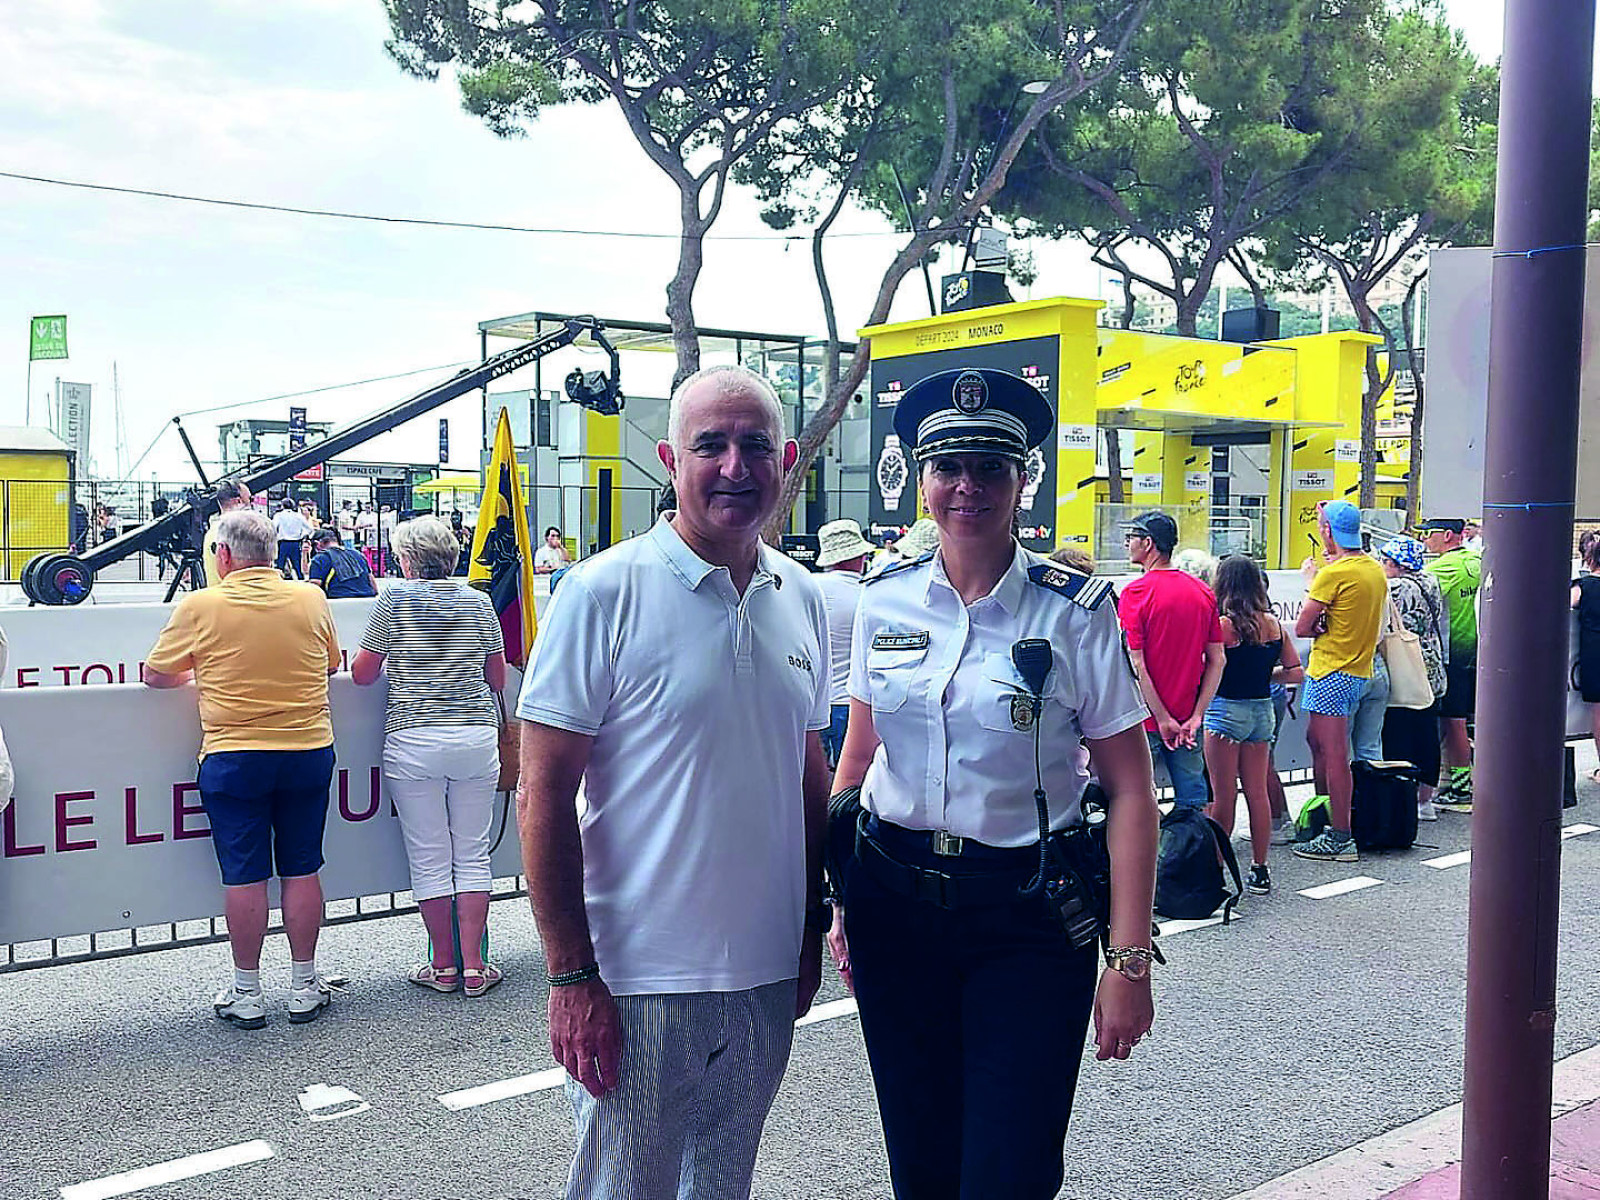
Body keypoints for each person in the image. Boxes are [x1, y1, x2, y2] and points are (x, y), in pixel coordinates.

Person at [829, 366, 1158, 1199]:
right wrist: (843, 902)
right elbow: (857, 766)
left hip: (1027, 917)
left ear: (1023, 482)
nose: (966, 487)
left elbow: (1129, 791)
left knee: (1008, 1170)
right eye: (948, 467)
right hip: (894, 911)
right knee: (920, 1160)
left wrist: (1128, 959)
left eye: (990, 468)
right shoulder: (884, 601)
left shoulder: (1075, 613)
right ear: (921, 480)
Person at [516, 363, 832, 1200]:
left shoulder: (802, 597)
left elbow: (808, 777)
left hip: (764, 977)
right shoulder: (600, 592)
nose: (735, 465)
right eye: (711, 445)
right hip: (637, 979)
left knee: (722, 1191)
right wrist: (570, 975)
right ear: (670, 459)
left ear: (787, 457)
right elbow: (541, 793)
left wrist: (806, 931)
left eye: (755, 445)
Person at [143, 509, 341, 1028]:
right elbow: (331, 664)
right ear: (273, 554)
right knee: (302, 867)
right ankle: (304, 985)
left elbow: (156, 675)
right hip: (307, 748)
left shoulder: (202, 605)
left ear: (223, 555)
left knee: (244, 873)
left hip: (234, 756)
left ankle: (247, 991)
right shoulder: (310, 598)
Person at [352, 517, 508, 996]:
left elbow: (362, 674)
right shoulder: (479, 602)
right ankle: (477, 966)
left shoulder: (393, 600)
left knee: (429, 857)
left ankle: (442, 965)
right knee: (473, 853)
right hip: (474, 736)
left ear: (407, 559)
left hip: (414, 738)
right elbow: (498, 678)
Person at [1202, 555, 1303, 894]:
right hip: (1262, 712)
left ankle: (1216, 868)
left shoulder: (1224, 625)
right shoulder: (1273, 623)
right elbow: (1295, 672)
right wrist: (1266, 673)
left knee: (1223, 795)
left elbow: (1208, 667)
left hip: (1225, 712)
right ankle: (1260, 868)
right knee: (1257, 792)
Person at [1293, 501, 1387, 862]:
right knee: (1320, 744)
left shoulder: (1333, 575)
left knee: (1333, 755)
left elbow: (1302, 626)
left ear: (1328, 531)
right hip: (1359, 668)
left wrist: (1315, 597)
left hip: (1331, 669)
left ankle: (1340, 834)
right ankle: (1330, 819)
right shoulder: (1373, 570)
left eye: (1320, 525)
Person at [1119, 510, 1225, 811]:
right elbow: (1218, 659)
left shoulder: (1136, 593)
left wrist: (1163, 718)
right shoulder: (1202, 592)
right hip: (1188, 718)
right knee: (1192, 803)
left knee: (1136, 801)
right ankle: (1194, 857)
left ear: (1148, 543)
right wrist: (1197, 715)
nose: (1128, 544)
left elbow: (1137, 663)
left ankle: (1147, 859)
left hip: (1146, 718)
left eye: (1132, 538)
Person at [1378, 536, 1449, 820]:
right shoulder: (1429, 581)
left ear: (1396, 564)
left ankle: (1402, 799)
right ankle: (1426, 799)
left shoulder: (1397, 588)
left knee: (1399, 733)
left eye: (1385, 561)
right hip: (1431, 662)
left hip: (1405, 662)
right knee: (1426, 732)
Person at [1422, 518, 1482, 811]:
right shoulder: (1477, 558)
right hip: (1481, 650)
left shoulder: (1440, 568)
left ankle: (1461, 788)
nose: (1424, 540)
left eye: (1428, 534)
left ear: (1447, 535)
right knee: (1471, 721)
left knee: (1453, 721)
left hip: (1452, 654)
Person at [812, 518, 874, 768]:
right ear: (858, 556)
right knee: (846, 789)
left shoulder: (807, 587)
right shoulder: (868, 593)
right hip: (850, 705)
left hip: (811, 704)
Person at [203, 480, 253, 587]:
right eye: (250, 499)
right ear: (238, 502)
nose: (251, 504)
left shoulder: (212, 531)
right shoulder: (239, 532)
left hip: (217, 598)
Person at [307, 527, 378, 599]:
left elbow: (314, 590)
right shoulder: (358, 555)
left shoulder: (319, 559)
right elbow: (374, 588)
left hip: (338, 602)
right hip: (368, 601)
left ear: (318, 544)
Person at [272, 499, 312, 579]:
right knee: (297, 566)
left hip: (283, 543)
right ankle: (302, 582)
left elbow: (273, 527)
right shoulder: (298, 516)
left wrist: (276, 536)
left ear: (282, 506)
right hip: (296, 543)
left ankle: (278, 582)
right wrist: (302, 535)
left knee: (280, 566)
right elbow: (310, 529)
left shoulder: (279, 515)